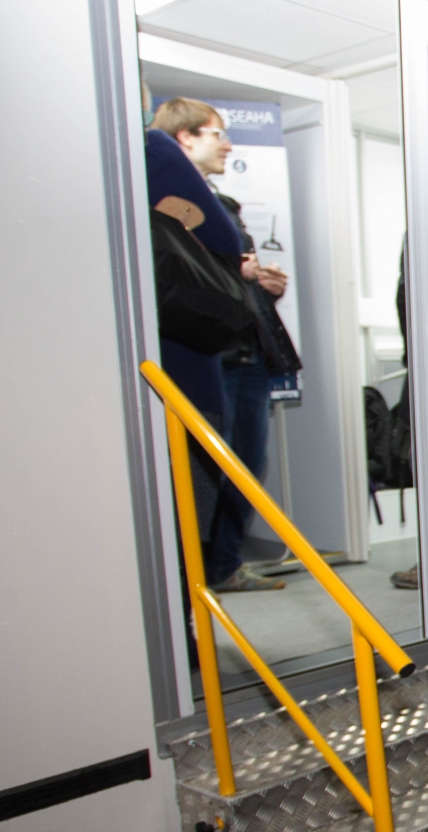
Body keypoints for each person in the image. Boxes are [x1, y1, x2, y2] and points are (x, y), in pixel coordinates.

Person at [153, 97, 290, 592]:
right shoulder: (156, 188)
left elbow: (224, 272)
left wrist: (260, 283)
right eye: (216, 133)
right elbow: (191, 273)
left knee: (246, 466)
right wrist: (240, 270)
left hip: (244, 349)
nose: (228, 144)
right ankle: (198, 580)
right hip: (204, 356)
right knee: (209, 473)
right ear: (184, 137)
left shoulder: (221, 205)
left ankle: (223, 567)